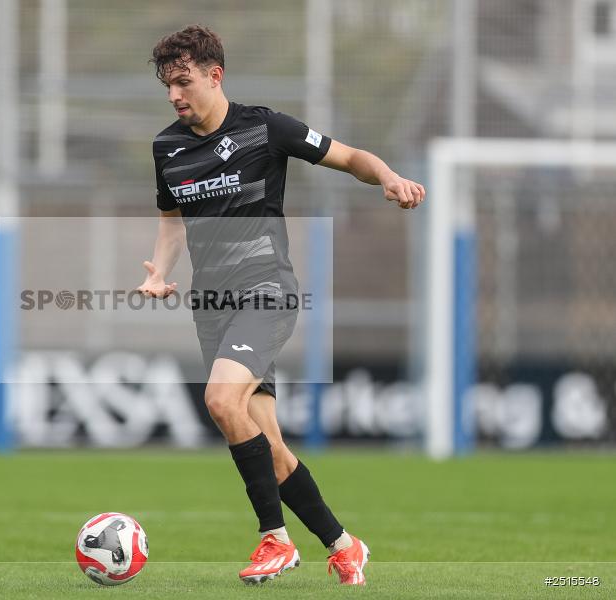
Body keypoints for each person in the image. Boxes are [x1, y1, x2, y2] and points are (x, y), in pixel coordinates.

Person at [137, 25, 425, 586]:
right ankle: (344, 545)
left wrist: (387, 176)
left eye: (183, 81)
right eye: (167, 85)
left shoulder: (264, 127)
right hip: (212, 305)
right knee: (266, 444)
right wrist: (160, 272)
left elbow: (348, 156)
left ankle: (275, 540)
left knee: (221, 400)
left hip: (266, 287)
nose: (174, 94)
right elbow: (171, 223)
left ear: (214, 76)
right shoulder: (166, 148)